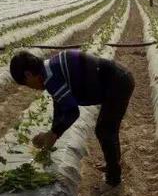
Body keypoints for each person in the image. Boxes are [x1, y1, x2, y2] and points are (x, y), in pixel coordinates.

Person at [9, 50, 134, 186]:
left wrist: (53, 133)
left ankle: (113, 177)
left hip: (118, 83)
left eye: (27, 84)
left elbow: (73, 112)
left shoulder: (50, 77)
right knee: (106, 128)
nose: (32, 88)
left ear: (28, 74)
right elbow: (59, 104)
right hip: (118, 78)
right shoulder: (49, 67)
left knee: (105, 130)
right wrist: (53, 133)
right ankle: (112, 165)